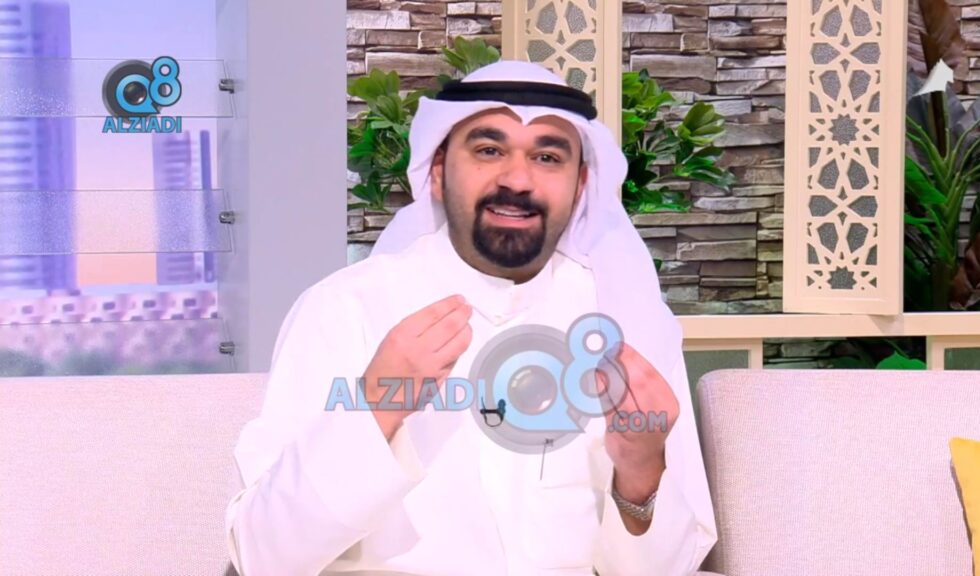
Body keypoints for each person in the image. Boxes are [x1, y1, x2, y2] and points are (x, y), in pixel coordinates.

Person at [225, 60, 716, 576]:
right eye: (488, 151)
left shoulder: (624, 321)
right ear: (438, 172)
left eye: (547, 157)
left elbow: (671, 569)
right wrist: (374, 406)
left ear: (580, 186)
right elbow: (261, 556)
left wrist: (641, 473)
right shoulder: (346, 309)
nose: (517, 179)